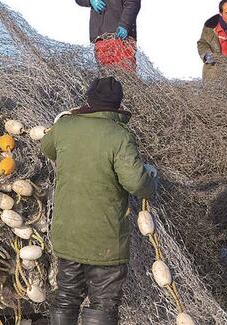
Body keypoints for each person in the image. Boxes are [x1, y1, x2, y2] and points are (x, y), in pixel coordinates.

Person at [41, 76, 158, 325]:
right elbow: (137, 183)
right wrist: (152, 179)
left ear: (89, 99)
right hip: (105, 238)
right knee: (104, 302)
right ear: (117, 104)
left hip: (68, 233)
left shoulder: (65, 127)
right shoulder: (119, 135)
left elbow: (47, 148)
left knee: (66, 295)